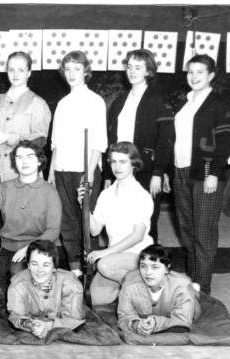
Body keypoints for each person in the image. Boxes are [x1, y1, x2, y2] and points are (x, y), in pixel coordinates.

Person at [172, 54, 230, 296]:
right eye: (191, 72)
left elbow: (225, 142)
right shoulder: (186, 102)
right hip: (181, 171)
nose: (194, 76)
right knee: (187, 231)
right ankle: (192, 283)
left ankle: (203, 290)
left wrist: (214, 174)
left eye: (200, 72)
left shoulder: (219, 104)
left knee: (204, 233)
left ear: (211, 75)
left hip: (205, 173)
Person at [0, 139, 61, 304]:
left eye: (29, 156)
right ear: (14, 162)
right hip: (7, 246)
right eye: (19, 157)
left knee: (17, 274)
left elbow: (53, 231)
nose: (24, 161)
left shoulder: (50, 191)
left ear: (39, 160)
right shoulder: (4, 188)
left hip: (40, 247)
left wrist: (30, 248)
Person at [105, 49, 175, 243]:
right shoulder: (120, 101)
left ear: (148, 71)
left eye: (138, 67)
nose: (132, 71)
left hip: (147, 170)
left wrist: (158, 173)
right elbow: (111, 140)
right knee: (121, 222)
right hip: (121, 169)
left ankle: (149, 268)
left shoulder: (158, 100)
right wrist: (108, 175)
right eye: (129, 67)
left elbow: (166, 139)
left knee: (146, 223)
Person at [48, 50, 107, 275]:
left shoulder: (95, 101)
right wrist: (52, 172)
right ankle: (75, 270)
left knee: (85, 222)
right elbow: (56, 142)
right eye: (68, 69)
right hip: (62, 169)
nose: (72, 74)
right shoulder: (62, 103)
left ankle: (89, 270)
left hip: (84, 169)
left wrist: (90, 172)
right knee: (67, 221)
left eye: (77, 69)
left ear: (85, 72)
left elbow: (99, 141)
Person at [78, 142, 154, 305]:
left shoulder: (141, 195)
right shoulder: (106, 194)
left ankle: (150, 289)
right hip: (116, 257)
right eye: (113, 161)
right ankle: (129, 287)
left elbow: (137, 236)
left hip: (138, 254)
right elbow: (95, 230)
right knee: (96, 299)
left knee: (104, 266)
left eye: (122, 162)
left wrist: (104, 253)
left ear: (133, 163)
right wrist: (84, 207)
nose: (117, 167)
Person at [0, 51, 52, 182]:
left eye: (21, 70)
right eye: (11, 70)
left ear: (29, 73)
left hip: (25, 174)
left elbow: (41, 139)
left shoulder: (38, 103)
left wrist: (10, 137)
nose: (15, 74)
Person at [7, 240, 85, 339]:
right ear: (28, 266)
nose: (39, 270)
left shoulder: (70, 284)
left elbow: (74, 320)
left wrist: (48, 326)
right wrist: (31, 325)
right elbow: (16, 317)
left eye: (46, 265)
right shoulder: (18, 286)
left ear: (54, 268)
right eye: (34, 264)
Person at [118, 245, 201, 335]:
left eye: (155, 267)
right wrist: (136, 324)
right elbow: (124, 317)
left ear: (167, 268)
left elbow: (183, 321)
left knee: (190, 303)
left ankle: (194, 290)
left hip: (180, 297)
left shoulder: (182, 286)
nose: (148, 272)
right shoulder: (129, 285)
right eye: (143, 266)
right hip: (153, 313)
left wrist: (156, 323)